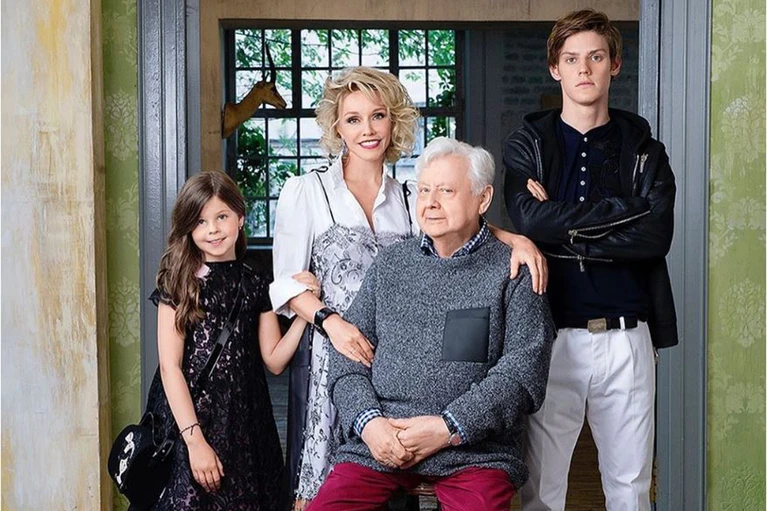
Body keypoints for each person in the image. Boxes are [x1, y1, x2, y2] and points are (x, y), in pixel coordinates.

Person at [270, 67, 548, 510]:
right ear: (337, 126)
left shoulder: (408, 195)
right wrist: (369, 419)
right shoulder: (308, 192)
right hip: (344, 365)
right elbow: (284, 284)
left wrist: (516, 240)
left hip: (470, 447)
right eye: (353, 118)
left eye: (378, 116)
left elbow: (455, 223)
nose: (367, 129)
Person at [503, 9, 678, 511]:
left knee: (630, 490)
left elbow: (655, 236)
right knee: (541, 493)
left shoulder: (646, 152)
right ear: (555, 68)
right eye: (572, 59)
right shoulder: (528, 146)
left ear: (614, 65)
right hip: (549, 336)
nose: (584, 69)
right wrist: (625, 212)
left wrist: (563, 230)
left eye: (596, 57)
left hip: (628, 338)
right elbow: (529, 220)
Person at [146, 170, 318, 510]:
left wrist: (304, 312)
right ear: (188, 228)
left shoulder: (256, 282)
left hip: (248, 427)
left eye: (221, 217)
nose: (212, 229)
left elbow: (274, 360)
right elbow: (170, 368)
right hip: (195, 423)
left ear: (240, 217)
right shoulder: (179, 283)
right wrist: (195, 442)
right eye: (200, 221)